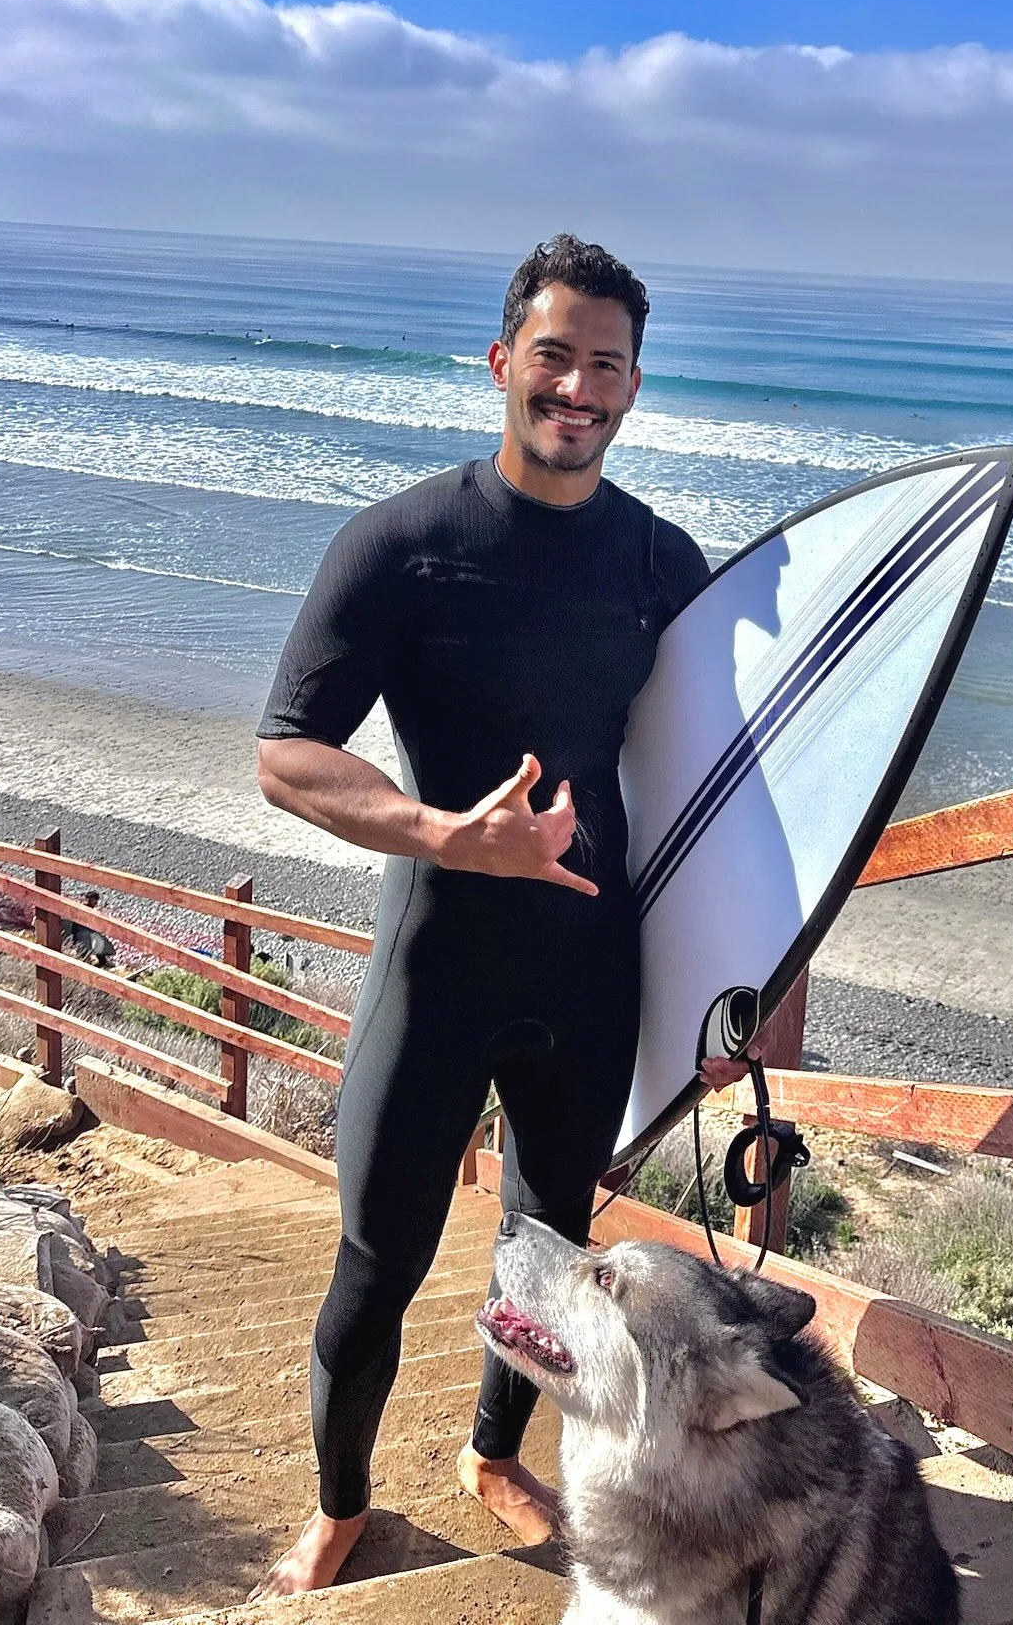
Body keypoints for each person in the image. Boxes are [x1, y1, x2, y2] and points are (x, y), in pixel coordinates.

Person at [249, 234, 722, 1596]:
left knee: (555, 1254)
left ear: (635, 386)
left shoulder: (658, 564)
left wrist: (746, 978)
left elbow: (736, 789)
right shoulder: (405, 547)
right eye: (555, 354)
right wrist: (442, 833)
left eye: (607, 364)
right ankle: (341, 1504)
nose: (579, 385)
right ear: (504, 361)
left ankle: (487, 1454)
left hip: (588, 969)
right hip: (438, 962)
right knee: (378, 1258)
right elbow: (285, 751)